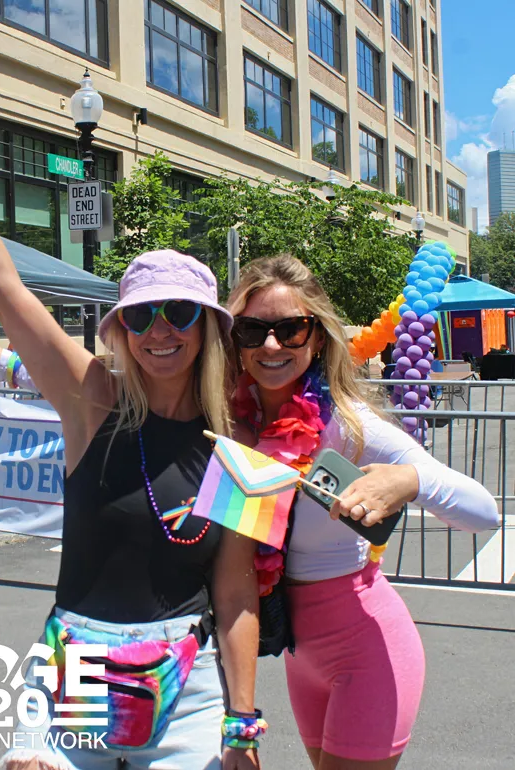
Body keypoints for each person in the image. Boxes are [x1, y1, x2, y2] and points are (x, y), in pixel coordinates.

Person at [0, 99, 262, 770]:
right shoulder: (95, 399)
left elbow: (237, 595)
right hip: (75, 669)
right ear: (121, 329)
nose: (159, 331)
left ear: (208, 326)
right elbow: (6, 288)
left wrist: (242, 724)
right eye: (141, 315)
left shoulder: (237, 443)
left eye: (179, 312)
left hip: (187, 683)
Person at [226, 255, 499, 770]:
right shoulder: (235, 424)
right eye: (253, 330)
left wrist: (410, 480)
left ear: (317, 337)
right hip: (299, 657)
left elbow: (486, 513)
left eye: (291, 329)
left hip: (368, 651)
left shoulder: (351, 426)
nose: (271, 345)